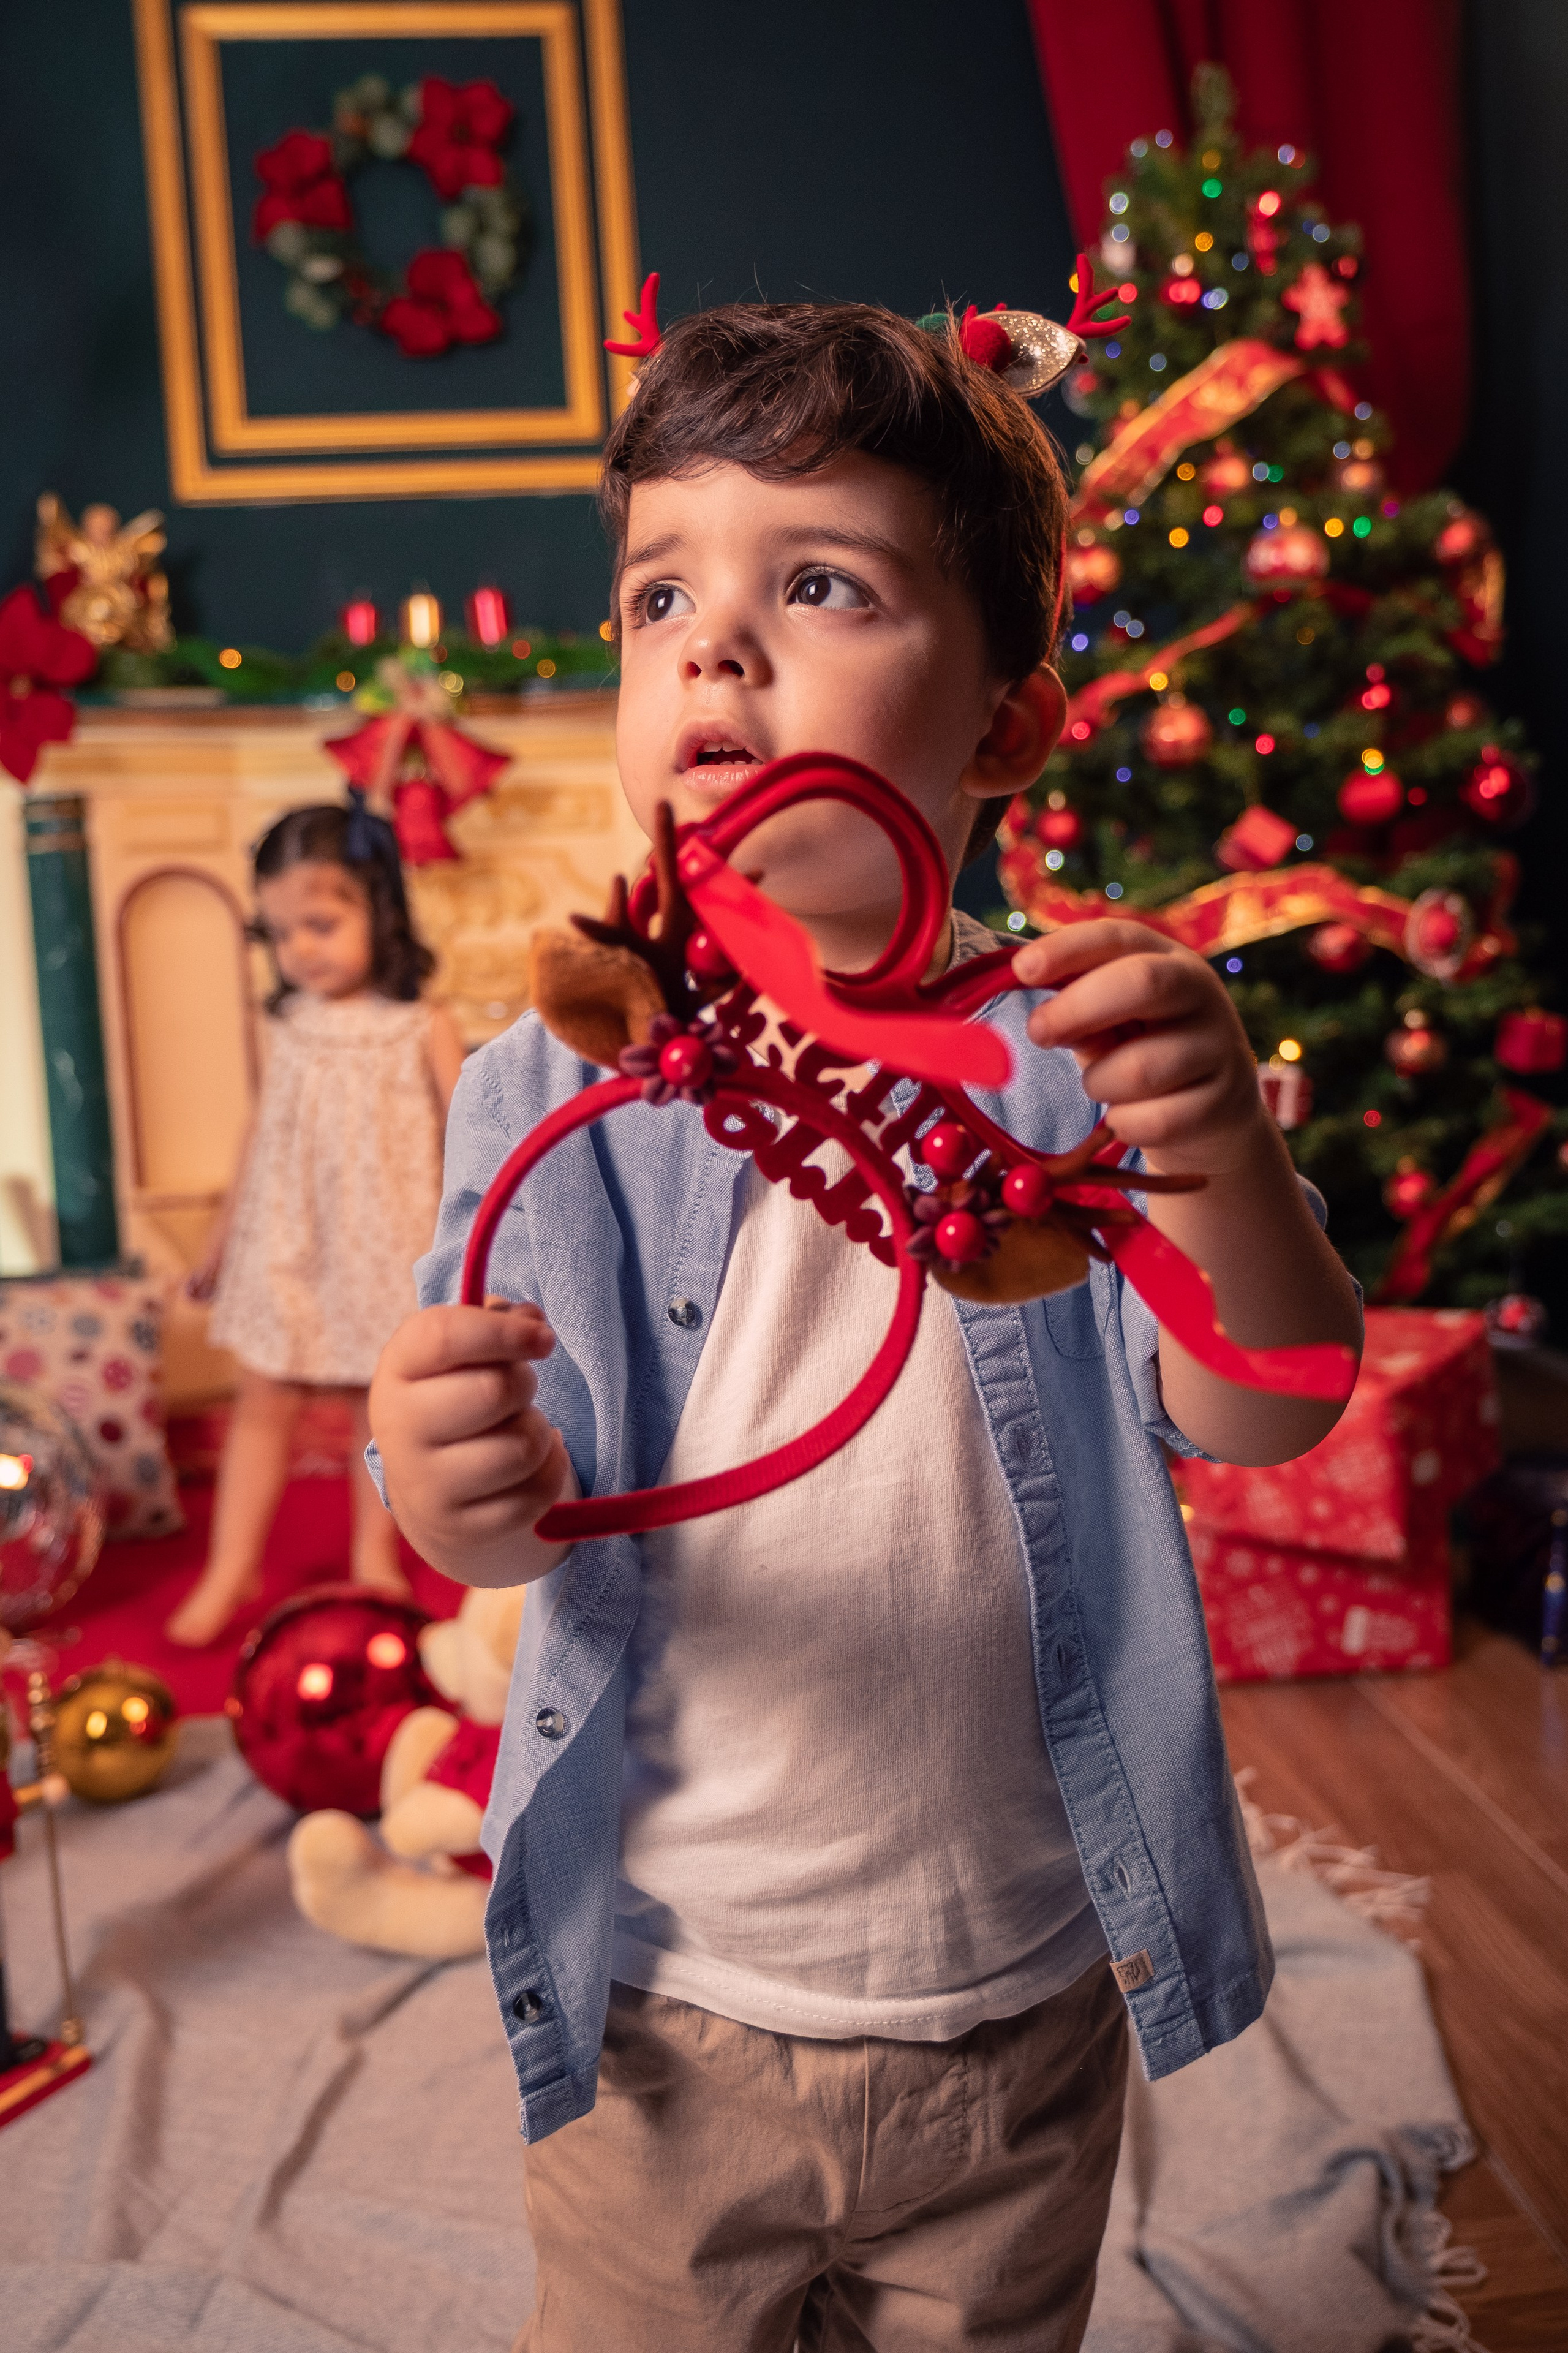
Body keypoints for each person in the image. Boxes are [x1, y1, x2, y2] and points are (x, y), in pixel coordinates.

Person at [369, 303, 1363, 2350]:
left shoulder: (1086, 1059)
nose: (716, 649)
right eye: (663, 596)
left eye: (818, 583)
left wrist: (1220, 1152)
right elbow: (495, 1521)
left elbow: (1268, 1406)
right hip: (667, 2013)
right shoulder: (546, 1085)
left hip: (1020, 2008)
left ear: (1006, 724)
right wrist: (445, 1480)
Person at [166, 801, 463, 1648]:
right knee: (264, 1395)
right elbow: (260, 1133)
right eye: (279, 932)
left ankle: (375, 1549)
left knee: (380, 1404)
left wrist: (474, 1239)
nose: (300, 949)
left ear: (382, 909)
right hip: (287, 1236)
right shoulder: (289, 1022)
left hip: (386, 1239)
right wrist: (219, 1244)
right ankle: (232, 1565)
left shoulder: (423, 1026)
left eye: (321, 924)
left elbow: (471, 1135)